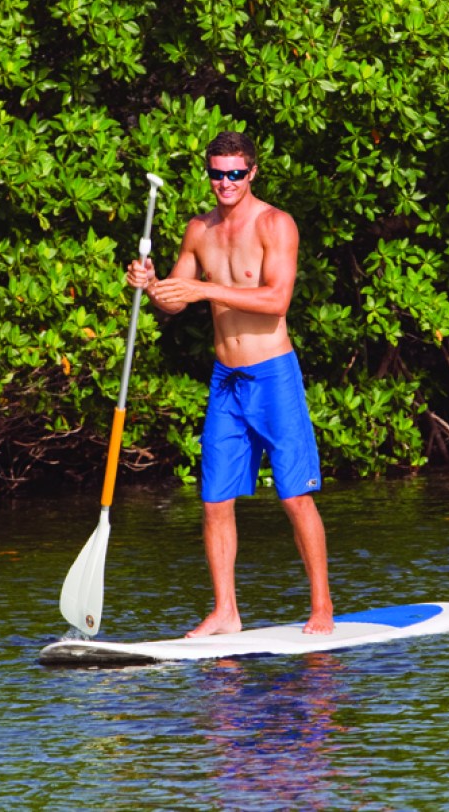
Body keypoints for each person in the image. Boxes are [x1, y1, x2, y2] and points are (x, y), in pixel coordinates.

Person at [126, 130, 334, 635]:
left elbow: (276, 300)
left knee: (293, 496)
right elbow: (175, 301)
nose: (226, 182)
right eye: (218, 173)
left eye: (235, 174)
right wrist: (152, 285)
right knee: (214, 499)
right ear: (209, 173)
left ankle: (322, 606)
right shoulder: (199, 230)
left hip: (273, 376)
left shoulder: (275, 224)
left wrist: (201, 288)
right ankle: (226, 612)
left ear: (252, 172)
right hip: (226, 381)